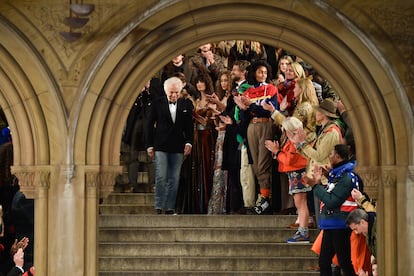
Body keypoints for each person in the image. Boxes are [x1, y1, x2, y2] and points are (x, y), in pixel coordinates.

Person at [304, 144, 360, 276]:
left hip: (340, 224)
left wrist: (315, 186)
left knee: (344, 261)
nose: (329, 157)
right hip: (331, 224)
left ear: (338, 157)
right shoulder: (338, 175)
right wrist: (329, 175)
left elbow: (332, 200)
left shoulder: (347, 177)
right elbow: (333, 191)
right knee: (324, 261)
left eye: (331, 154)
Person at [234, 60, 280, 215]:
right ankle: (263, 199)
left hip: (266, 125)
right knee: (255, 165)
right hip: (251, 127)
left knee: (263, 164)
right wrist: (243, 109)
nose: (263, 75)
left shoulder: (272, 89)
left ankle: (265, 199)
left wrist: (251, 106)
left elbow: (270, 111)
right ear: (254, 73)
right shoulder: (248, 91)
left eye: (265, 72)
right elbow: (245, 116)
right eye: (260, 72)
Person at [145, 77, 194, 214]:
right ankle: (159, 206)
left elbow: (189, 126)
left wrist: (189, 142)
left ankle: (170, 207)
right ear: (166, 91)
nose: (174, 95)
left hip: (178, 146)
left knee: (174, 178)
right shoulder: (157, 103)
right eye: (171, 92)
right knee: (161, 176)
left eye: (177, 92)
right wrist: (149, 145)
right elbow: (149, 125)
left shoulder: (186, 104)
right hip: (160, 144)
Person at [265, 117, 311, 243]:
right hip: (295, 173)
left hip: (298, 172)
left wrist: (277, 151)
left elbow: (289, 160)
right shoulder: (292, 141)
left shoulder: (294, 142)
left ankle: (303, 231)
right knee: (299, 203)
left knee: (300, 203)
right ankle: (303, 228)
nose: (282, 130)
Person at [346, 207, 377, 276]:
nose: (356, 232)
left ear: (362, 222)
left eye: (356, 229)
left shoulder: (378, 229)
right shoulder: (368, 234)